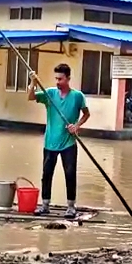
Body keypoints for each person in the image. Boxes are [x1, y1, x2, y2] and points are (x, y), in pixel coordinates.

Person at [28, 63, 90, 218]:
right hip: (50, 142)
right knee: (46, 174)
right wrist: (33, 82)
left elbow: (86, 114)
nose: (57, 82)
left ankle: (71, 206)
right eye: (56, 78)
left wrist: (76, 126)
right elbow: (30, 97)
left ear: (68, 79)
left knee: (70, 174)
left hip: (68, 143)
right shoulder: (49, 94)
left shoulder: (77, 96)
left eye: (61, 79)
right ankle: (45, 205)